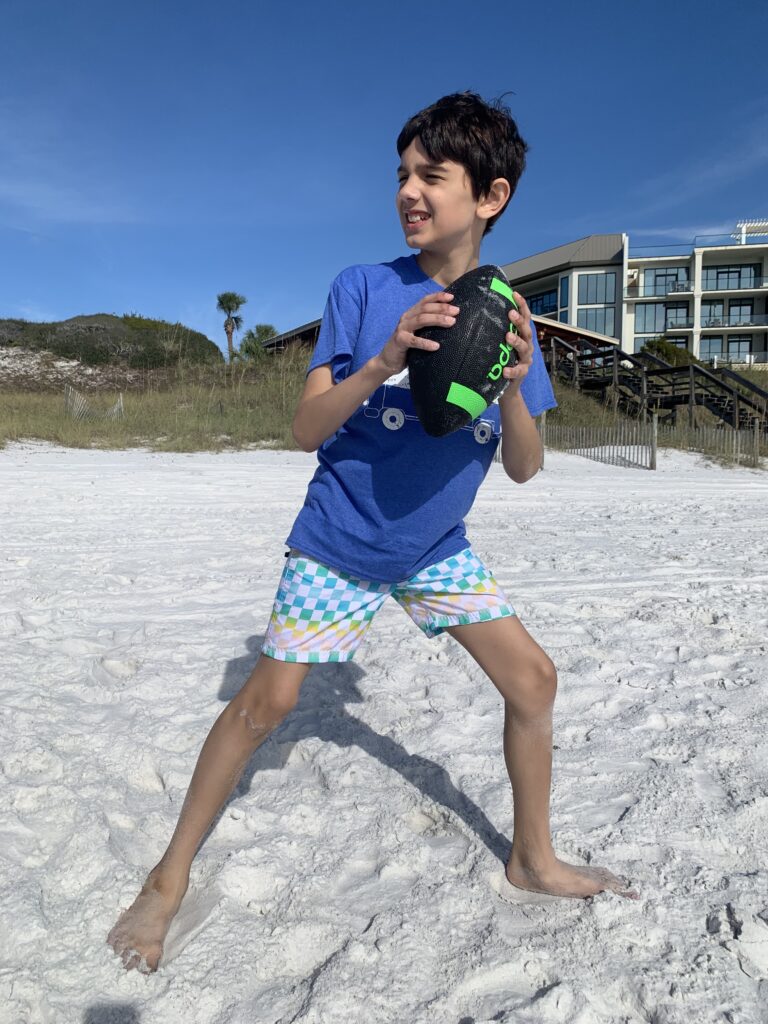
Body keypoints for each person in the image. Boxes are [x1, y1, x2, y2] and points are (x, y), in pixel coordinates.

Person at [108, 91, 638, 974]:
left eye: (432, 175)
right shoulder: (362, 288)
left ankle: (532, 858)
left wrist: (511, 382)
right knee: (264, 705)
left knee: (535, 682)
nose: (409, 191)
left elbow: (525, 467)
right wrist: (386, 360)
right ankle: (166, 881)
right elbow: (307, 430)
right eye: (402, 175)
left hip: (435, 548)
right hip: (342, 539)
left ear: (491, 195)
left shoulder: (514, 319)